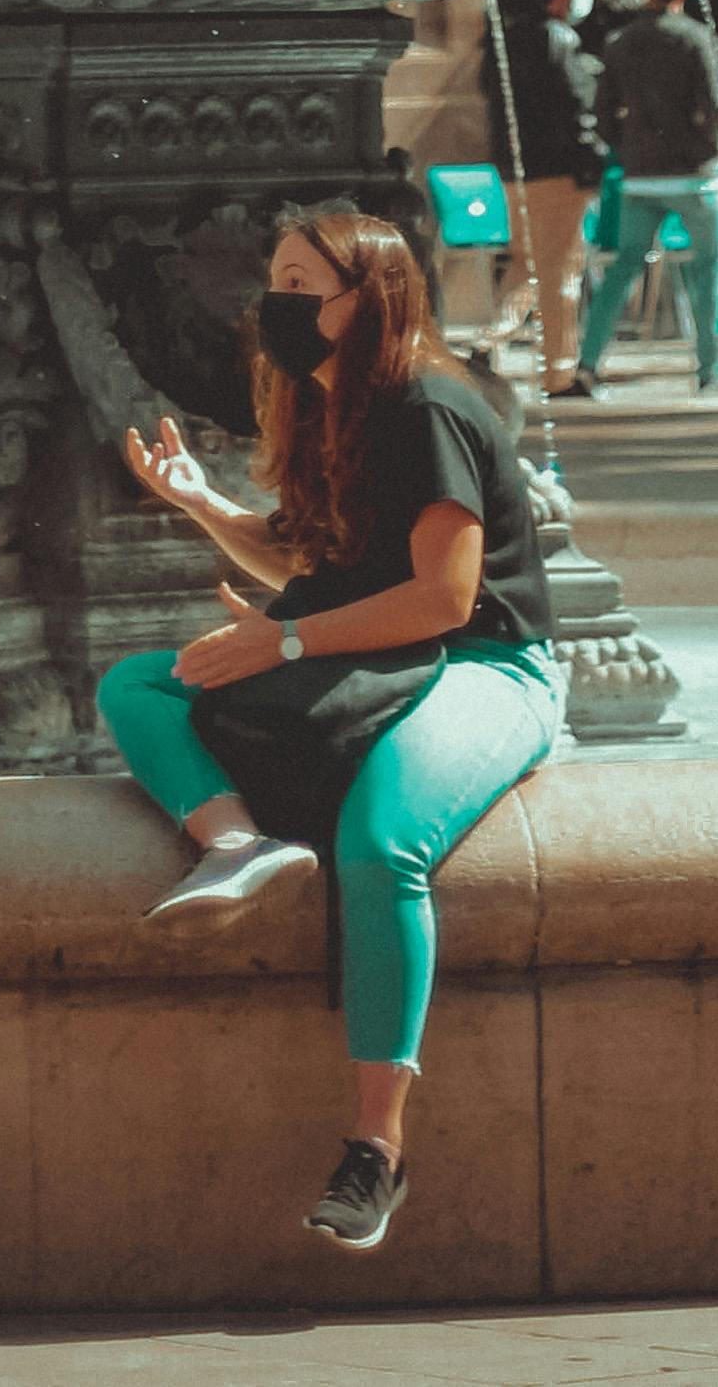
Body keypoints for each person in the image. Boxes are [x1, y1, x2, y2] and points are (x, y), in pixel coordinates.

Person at [103, 205, 560, 1260]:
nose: (282, 304)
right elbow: (319, 568)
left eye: (307, 285)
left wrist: (285, 646)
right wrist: (210, 508)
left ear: (373, 299)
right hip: (369, 653)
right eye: (277, 281)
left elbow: (443, 600)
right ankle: (236, 842)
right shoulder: (322, 409)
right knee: (138, 686)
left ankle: (375, 1146)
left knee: (380, 842)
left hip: (486, 666)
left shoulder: (427, 408)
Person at [570, 0, 718, 399]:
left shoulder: (621, 42)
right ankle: (709, 369)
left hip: (640, 176)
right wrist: (711, 150)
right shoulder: (695, 39)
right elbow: (717, 103)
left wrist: (625, 148)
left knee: (623, 271)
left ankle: (587, 363)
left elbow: (603, 110)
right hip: (693, 176)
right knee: (709, 271)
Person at [488, 0, 603, 400]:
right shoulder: (558, 40)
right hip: (556, 171)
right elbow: (575, 106)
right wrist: (590, 157)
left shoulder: (508, 38)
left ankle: (488, 343)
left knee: (526, 263)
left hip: (516, 172)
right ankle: (559, 372)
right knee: (560, 271)